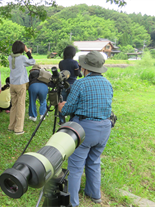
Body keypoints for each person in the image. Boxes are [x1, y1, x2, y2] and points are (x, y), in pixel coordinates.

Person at [58, 51, 113, 207]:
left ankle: (72, 202)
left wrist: (61, 107)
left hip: (85, 129)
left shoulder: (81, 84)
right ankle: (94, 194)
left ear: (84, 68)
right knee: (94, 161)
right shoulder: (107, 83)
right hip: (104, 128)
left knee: (75, 167)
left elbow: (69, 109)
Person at [8, 41, 35, 135]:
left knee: (14, 105)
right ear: (22, 49)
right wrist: (28, 52)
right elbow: (32, 62)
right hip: (20, 84)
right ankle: (18, 129)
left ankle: (11, 126)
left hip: (12, 84)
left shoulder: (10, 57)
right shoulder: (22, 58)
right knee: (21, 106)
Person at [58, 45, 81, 125]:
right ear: (73, 54)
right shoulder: (74, 63)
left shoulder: (61, 63)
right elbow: (78, 74)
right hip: (73, 84)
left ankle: (61, 120)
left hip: (63, 84)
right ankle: (71, 119)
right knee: (72, 102)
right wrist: (80, 67)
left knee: (61, 102)